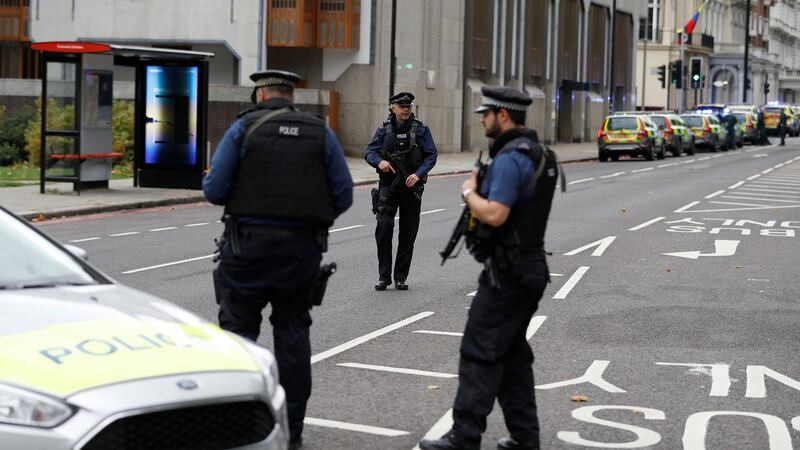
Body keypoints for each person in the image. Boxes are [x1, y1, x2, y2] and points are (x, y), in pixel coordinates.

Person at [203, 69, 353, 450]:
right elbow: (344, 195)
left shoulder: (243, 129)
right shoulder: (320, 132)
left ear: (260, 94)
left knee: (239, 339)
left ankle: (238, 429)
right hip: (299, 254)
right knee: (292, 336)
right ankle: (293, 432)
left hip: (246, 250)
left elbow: (215, 190)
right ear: (291, 97)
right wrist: (309, 221)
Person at [419, 86, 560, 450]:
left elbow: (496, 214)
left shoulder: (512, 158)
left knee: (479, 351)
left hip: (508, 275)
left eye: (486, 113)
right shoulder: (539, 152)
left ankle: (464, 437)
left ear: (503, 115)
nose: (482, 118)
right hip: (528, 268)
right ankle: (525, 439)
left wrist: (469, 192)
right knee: (512, 357)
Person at [365, 92, 437, 291]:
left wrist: (419, 174)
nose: (406, 109)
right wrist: (380, 162)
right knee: (383, 229)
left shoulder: (421, 130)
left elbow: (431, 155)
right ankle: (383, 276)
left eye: (408, 106)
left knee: (408, 232)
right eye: (401, 106)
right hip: (388, 186)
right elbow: (370, 152)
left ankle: (400, 277)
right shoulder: (383, 130)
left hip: (411, 187)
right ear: (392, 108)